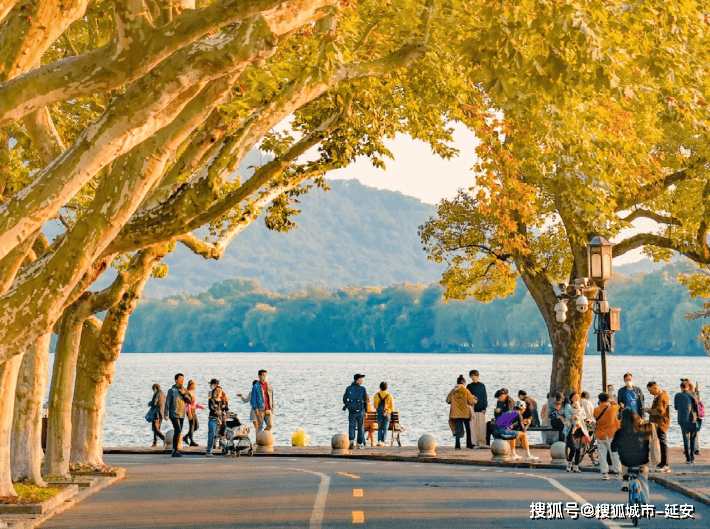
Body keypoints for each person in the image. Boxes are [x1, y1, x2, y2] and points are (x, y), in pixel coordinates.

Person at [611, 408, 652, 503]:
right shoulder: (643, 430)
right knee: (644, 481)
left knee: (624, 464)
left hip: (627, 462)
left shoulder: (620, 432)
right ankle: (646, 505)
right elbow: (653, 427)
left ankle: (625, 480)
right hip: (643, 461)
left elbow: (613, 447)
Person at [594, 393, 621, 480]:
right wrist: (611, 400)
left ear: (599, 400)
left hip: (600, 434)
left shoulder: (596, 410)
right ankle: (618, 472)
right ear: (607, 399)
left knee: (602, 454)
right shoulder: (612, 409)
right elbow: (617, 405)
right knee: (614, 454)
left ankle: (605, 473)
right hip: (611, 434)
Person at [645, 381, 670, 472]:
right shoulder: (659, 396)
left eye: (650, 391)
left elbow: (660, 411)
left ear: (655, 388)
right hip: (658, 423)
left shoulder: (662, 396)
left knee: (663, 443)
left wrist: (649, 410)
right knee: (660, 442)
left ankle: (665, 463)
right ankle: (662, 462)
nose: (650, 393)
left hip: (661, 423)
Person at [164, 373, 192, 457]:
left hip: (181, 414)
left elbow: (189, 401)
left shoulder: (184, 390)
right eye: (181, 379)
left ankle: (176, 450)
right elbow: (167, 403)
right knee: (178, 430)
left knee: (178, 432)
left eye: (183, 379)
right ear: (176, 380)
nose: (182, 381)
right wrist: (166, 414)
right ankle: (175, 449)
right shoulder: (171, 390)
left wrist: (184, 394)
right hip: (173, 414)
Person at [446, 375, 476, 449]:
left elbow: (448, 400)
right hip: (465, 413)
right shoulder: (465, 391)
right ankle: (469, 445)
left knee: (458, 429)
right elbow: (471, 401)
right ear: (464, 383)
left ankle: (457, 445)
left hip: (455, 413)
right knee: (468, 429)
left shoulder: (453, 391)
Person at [674, 379, 700, 464]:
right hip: (692, 418)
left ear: (681, 387)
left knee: (685, 439)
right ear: (689, 387)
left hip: (682, 419)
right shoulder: (693, 394)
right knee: (692, 438)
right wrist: (697, 390)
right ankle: (692, 457)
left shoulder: (677, 395)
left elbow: (676, 407)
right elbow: (697, 404)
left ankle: (688, 458)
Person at [343, 374, 368, 449]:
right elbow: (365, 401)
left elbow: (344, 399)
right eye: (361, 379)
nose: (362, 380)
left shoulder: (348, 388)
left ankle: (351, 440)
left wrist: (348, 405)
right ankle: (359, 443)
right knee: (360, 427)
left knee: (351, 426)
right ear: (358, 380)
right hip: (360, 410)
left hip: (351, 410)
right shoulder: (362, 389)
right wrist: (366, 411)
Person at [467, 370, 488, 448]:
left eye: (474, 375)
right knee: (474, 428)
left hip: (481, 408)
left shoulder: (482, 385)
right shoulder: (469, 386)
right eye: (471, 376)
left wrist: (485, 407)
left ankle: (482, 443)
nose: (473, 377)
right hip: (473, 409)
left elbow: (484, 397)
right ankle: (474, 443)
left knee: (482, 427)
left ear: (477, 375)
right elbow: (468, 397)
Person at [205, 386, 227, 457]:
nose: (218, 392)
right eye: (217, 390)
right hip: (213, 419)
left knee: (223, 434)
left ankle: (225, 448)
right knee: (212, 434)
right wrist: (217, 412)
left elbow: (226, 409)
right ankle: (209, 450)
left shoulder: (223, 401)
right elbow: (211, 408)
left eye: (219, 390)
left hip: (222, 420)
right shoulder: (211, 400)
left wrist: (227, 416)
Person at [182, 380, 203, 447]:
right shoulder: (188, 393)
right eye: (194, 385)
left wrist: (200, 406)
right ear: (191, 385)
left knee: (196, 426)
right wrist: (189, 413)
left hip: (194, 410)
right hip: (190, 411)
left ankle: (186, 437)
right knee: (192, 426)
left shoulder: (193, 392)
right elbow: (187, 404)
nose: (195, 386)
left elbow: (194, 403)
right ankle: (191, 441)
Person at [373, 382, 394, 447]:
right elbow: (392, 407)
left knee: (380, 427)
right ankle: (383, 441)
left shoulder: (376, 395)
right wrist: (387, 411)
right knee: (385, 428)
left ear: (380, 387)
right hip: (387, 413)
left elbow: (375, 405)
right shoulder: (389, 395)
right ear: (386, 387)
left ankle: (379, 441)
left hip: (379, 413)